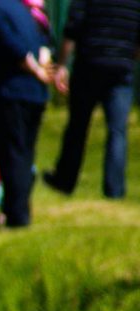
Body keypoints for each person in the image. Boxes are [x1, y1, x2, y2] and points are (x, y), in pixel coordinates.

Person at [42, 0, 140, 199]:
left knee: (78, 126)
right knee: (117, 131)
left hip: (89, 64)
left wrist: (61, 64)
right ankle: (114, 189)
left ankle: (65, 180)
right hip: (121, 69)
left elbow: (73, 28)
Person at [0, 0, 51, 228]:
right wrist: (42, 71)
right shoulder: (22, 9)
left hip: (10, 93)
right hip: (35, 94)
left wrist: (36, 71)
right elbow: (44, 41)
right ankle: (14, 208)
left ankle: (17, 216)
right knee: (24, 152)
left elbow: (14, 48)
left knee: (10, 152)